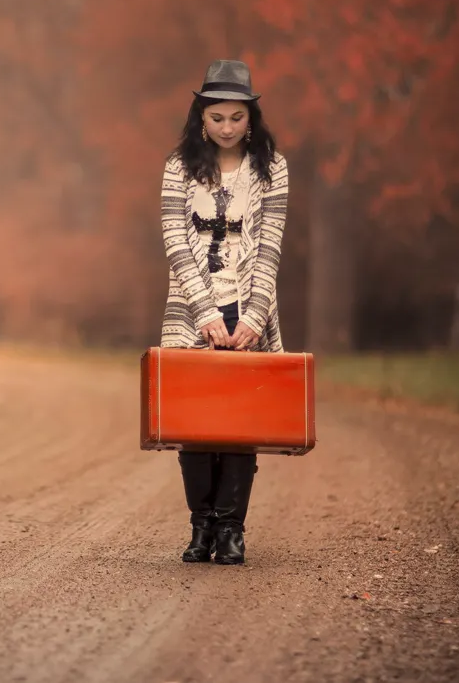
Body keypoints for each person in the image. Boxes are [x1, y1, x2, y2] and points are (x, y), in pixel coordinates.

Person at [159, 58, 289, 565]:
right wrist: (204, 310)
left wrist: (254, 316)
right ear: (201, 119)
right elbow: (175, 239)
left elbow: (271, 246)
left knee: (239, 422)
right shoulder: (178, 167)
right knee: (195, 424)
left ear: (251, 117)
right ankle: (202, 527)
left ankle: (232, 529)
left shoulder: (273, 168)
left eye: (236, 117)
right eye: (217, 118)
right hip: (193, 310)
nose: (228, 128)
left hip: (248, 307)